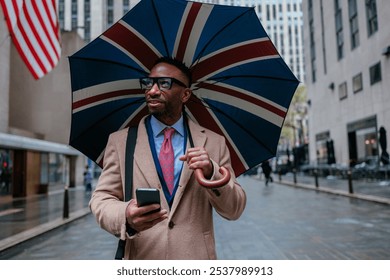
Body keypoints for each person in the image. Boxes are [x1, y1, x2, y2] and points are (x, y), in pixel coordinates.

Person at [89, 57, 246, 260]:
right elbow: (100, 200)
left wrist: (211, 172)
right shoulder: (121, 141)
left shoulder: (214, 143)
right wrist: (126, 214)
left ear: (185, 94)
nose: (152, 90)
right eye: (148, 83)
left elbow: (234, 209)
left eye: (164, 83)